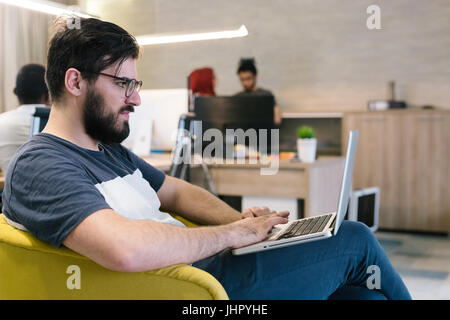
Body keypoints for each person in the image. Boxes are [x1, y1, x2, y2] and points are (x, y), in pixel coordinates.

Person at [2, 17, 411, 300]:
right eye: (123, 83)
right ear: (75, 81)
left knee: (361, 293)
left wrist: (242, 222)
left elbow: (176, 191)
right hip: (199, 289)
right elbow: (124, 249)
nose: (136, 98)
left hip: (212, 269)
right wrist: (231, 237)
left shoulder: (107, 150)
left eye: (135, 83)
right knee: (353, 239)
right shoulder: (42, 165)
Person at [0, 64, 49, 174]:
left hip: (12, 189)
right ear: (48, 94)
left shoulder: (1, 122)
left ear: (15, 92)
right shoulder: (62, 123)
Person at [235, 59, 282, 125]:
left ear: (255, 76)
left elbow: (277, 119)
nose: (245, 83)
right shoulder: (237, 98)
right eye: (242, 79)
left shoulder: (266, 95)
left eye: (248, 78)